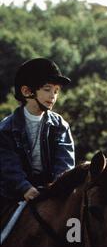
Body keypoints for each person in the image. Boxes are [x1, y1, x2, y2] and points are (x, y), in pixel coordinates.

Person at [0, 58, 75, 208]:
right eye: (47, 89)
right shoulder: (5, 129)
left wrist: (57, 188)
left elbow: (64, 163)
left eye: (56, 91)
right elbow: (7, 165)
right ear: (27, 91)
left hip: (51, 191)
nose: (53, 96)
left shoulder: (60, 126)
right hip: (13, 194)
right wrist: (24, 187)